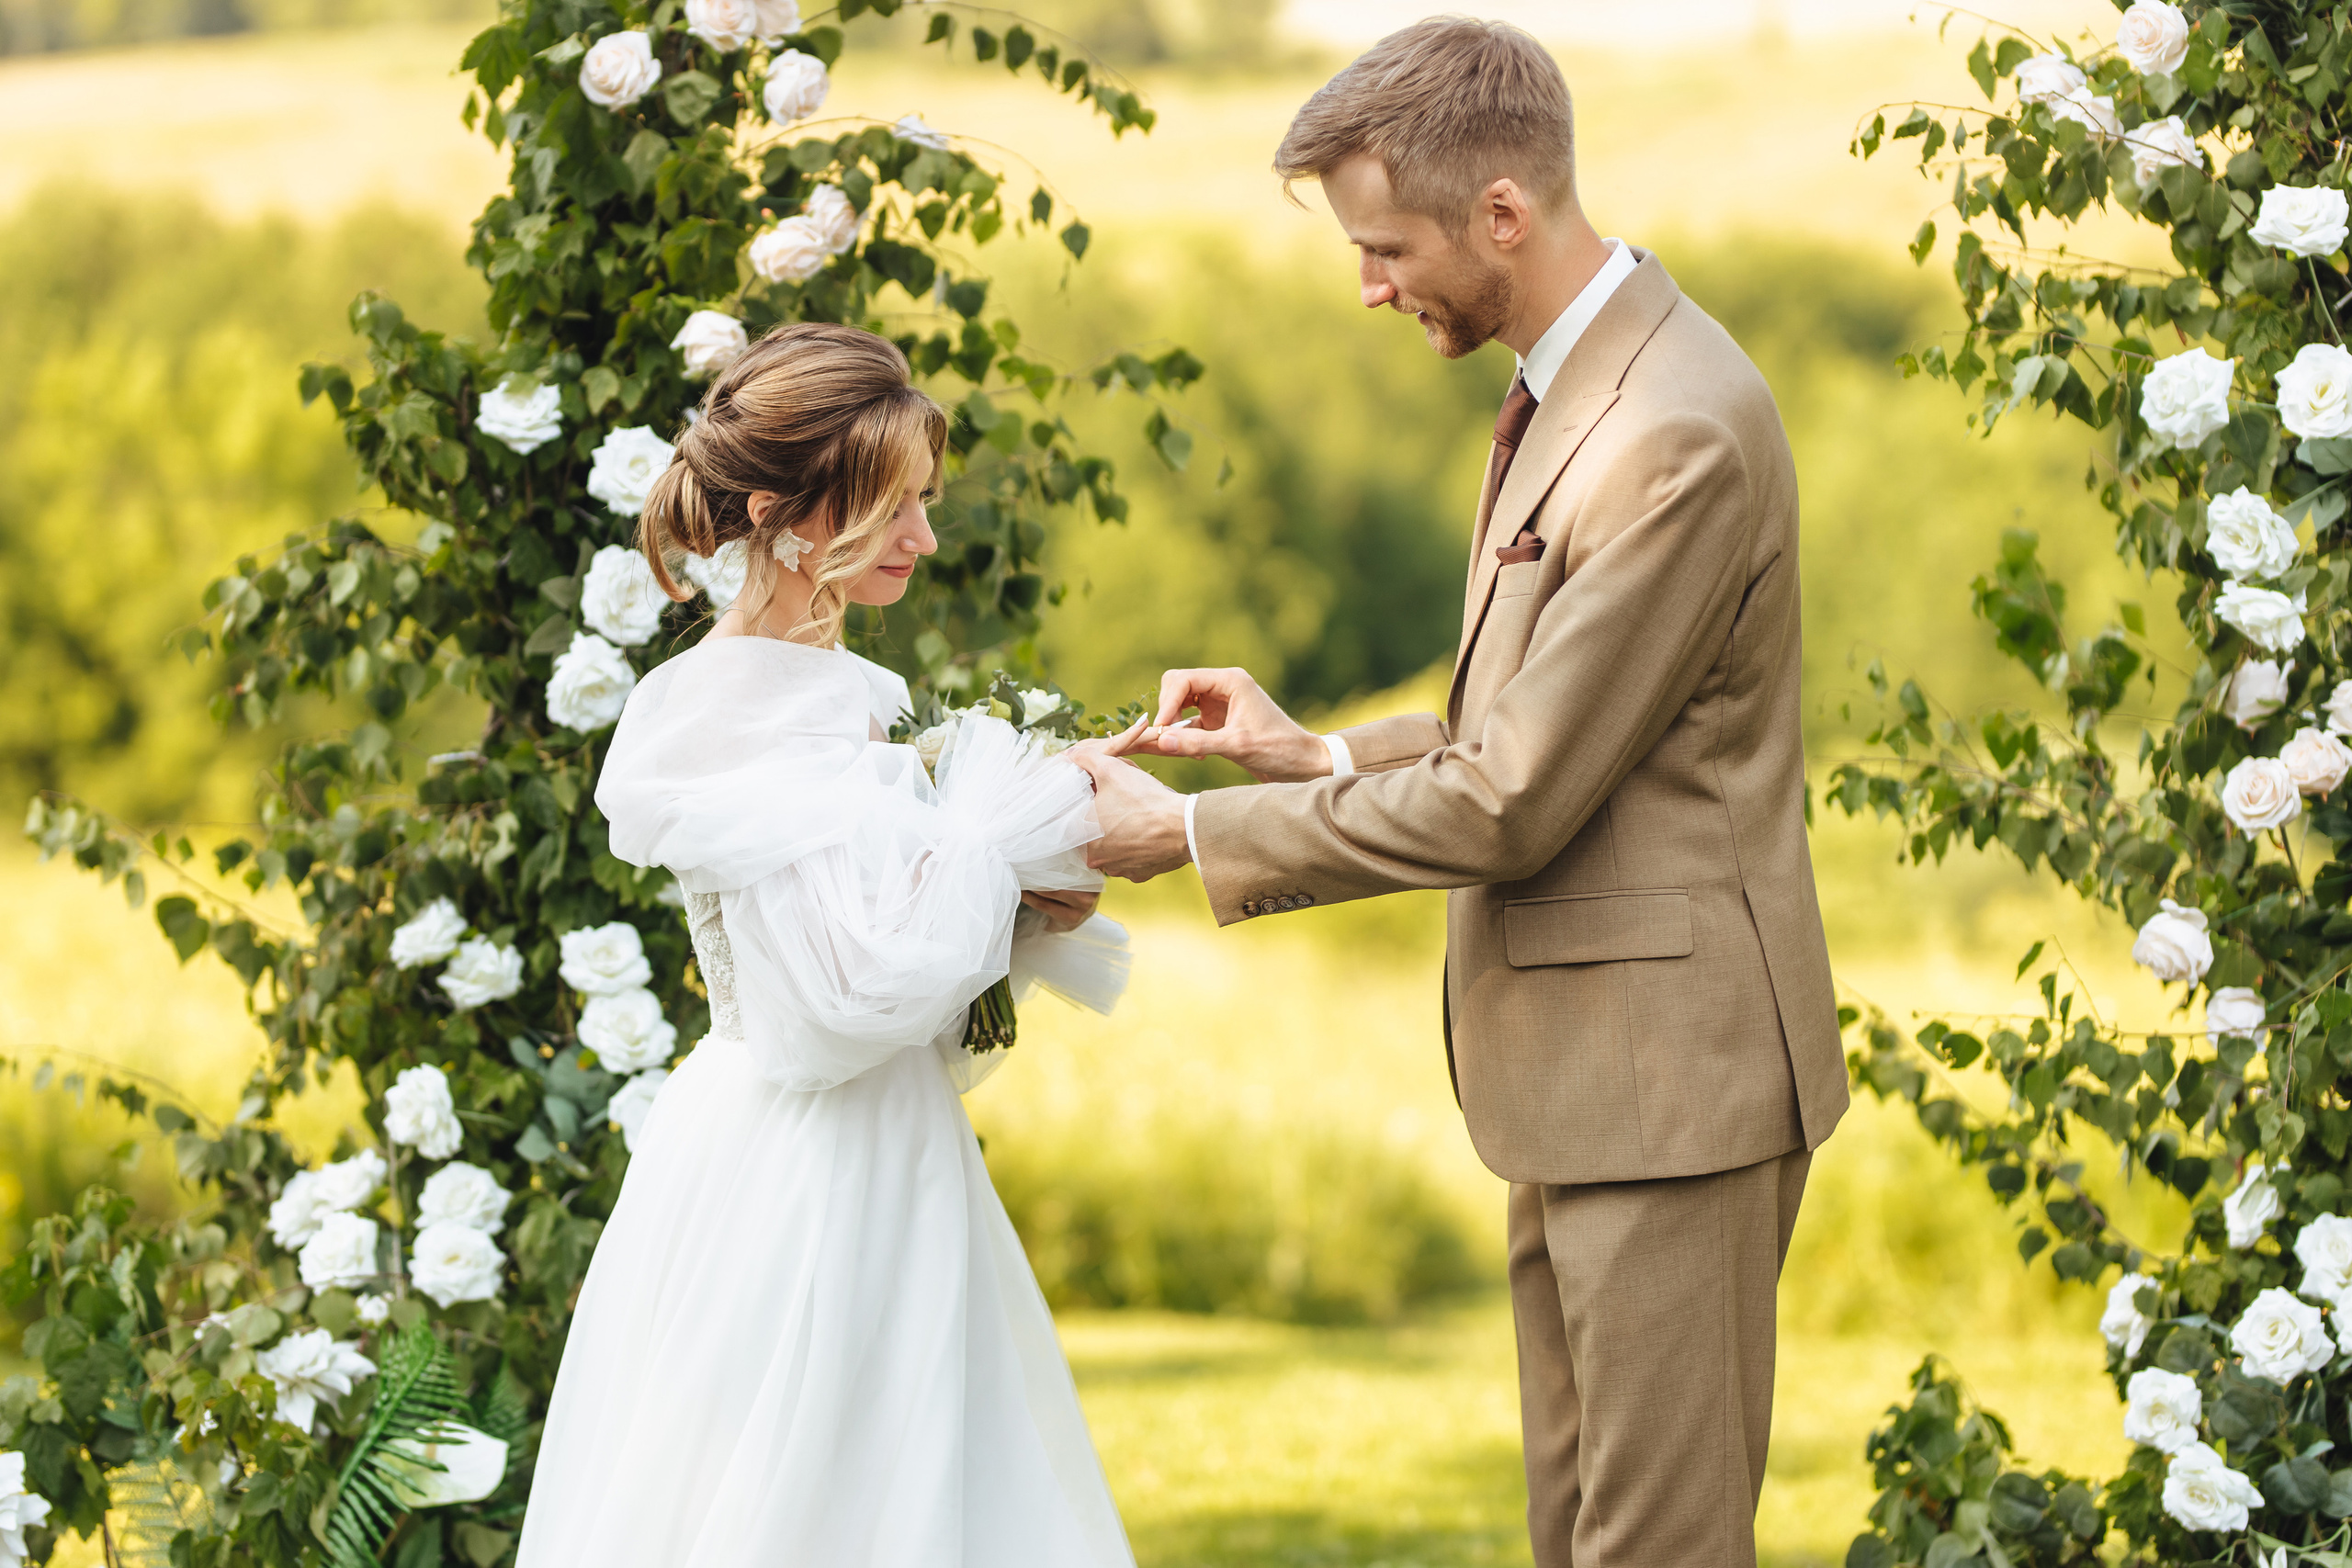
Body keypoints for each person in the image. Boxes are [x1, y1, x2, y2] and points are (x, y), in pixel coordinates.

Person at [1072, 20, 1848, 1568]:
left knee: (1657, 1553)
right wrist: (1314, 755)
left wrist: (1195, 835)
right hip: (1582, 1086)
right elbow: (1529, 721)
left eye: (1385, 247)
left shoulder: (1667, 431)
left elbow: (1513, 801)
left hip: (1670, 1096)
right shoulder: (1575, 390)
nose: (1369, 287)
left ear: (1503, 212)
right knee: (1579, 1544)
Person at [515, 322, 1136, 1567]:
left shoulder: (854, 690)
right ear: (779, 512)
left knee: (931, 1487)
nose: (924, 539)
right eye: (894, 507)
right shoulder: (735, 706)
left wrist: (1023, 884)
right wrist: (1003, 839)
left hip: (892, 1141)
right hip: (803, 1161)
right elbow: (839, 1002)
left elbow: (886, 934)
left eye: (924, 503)